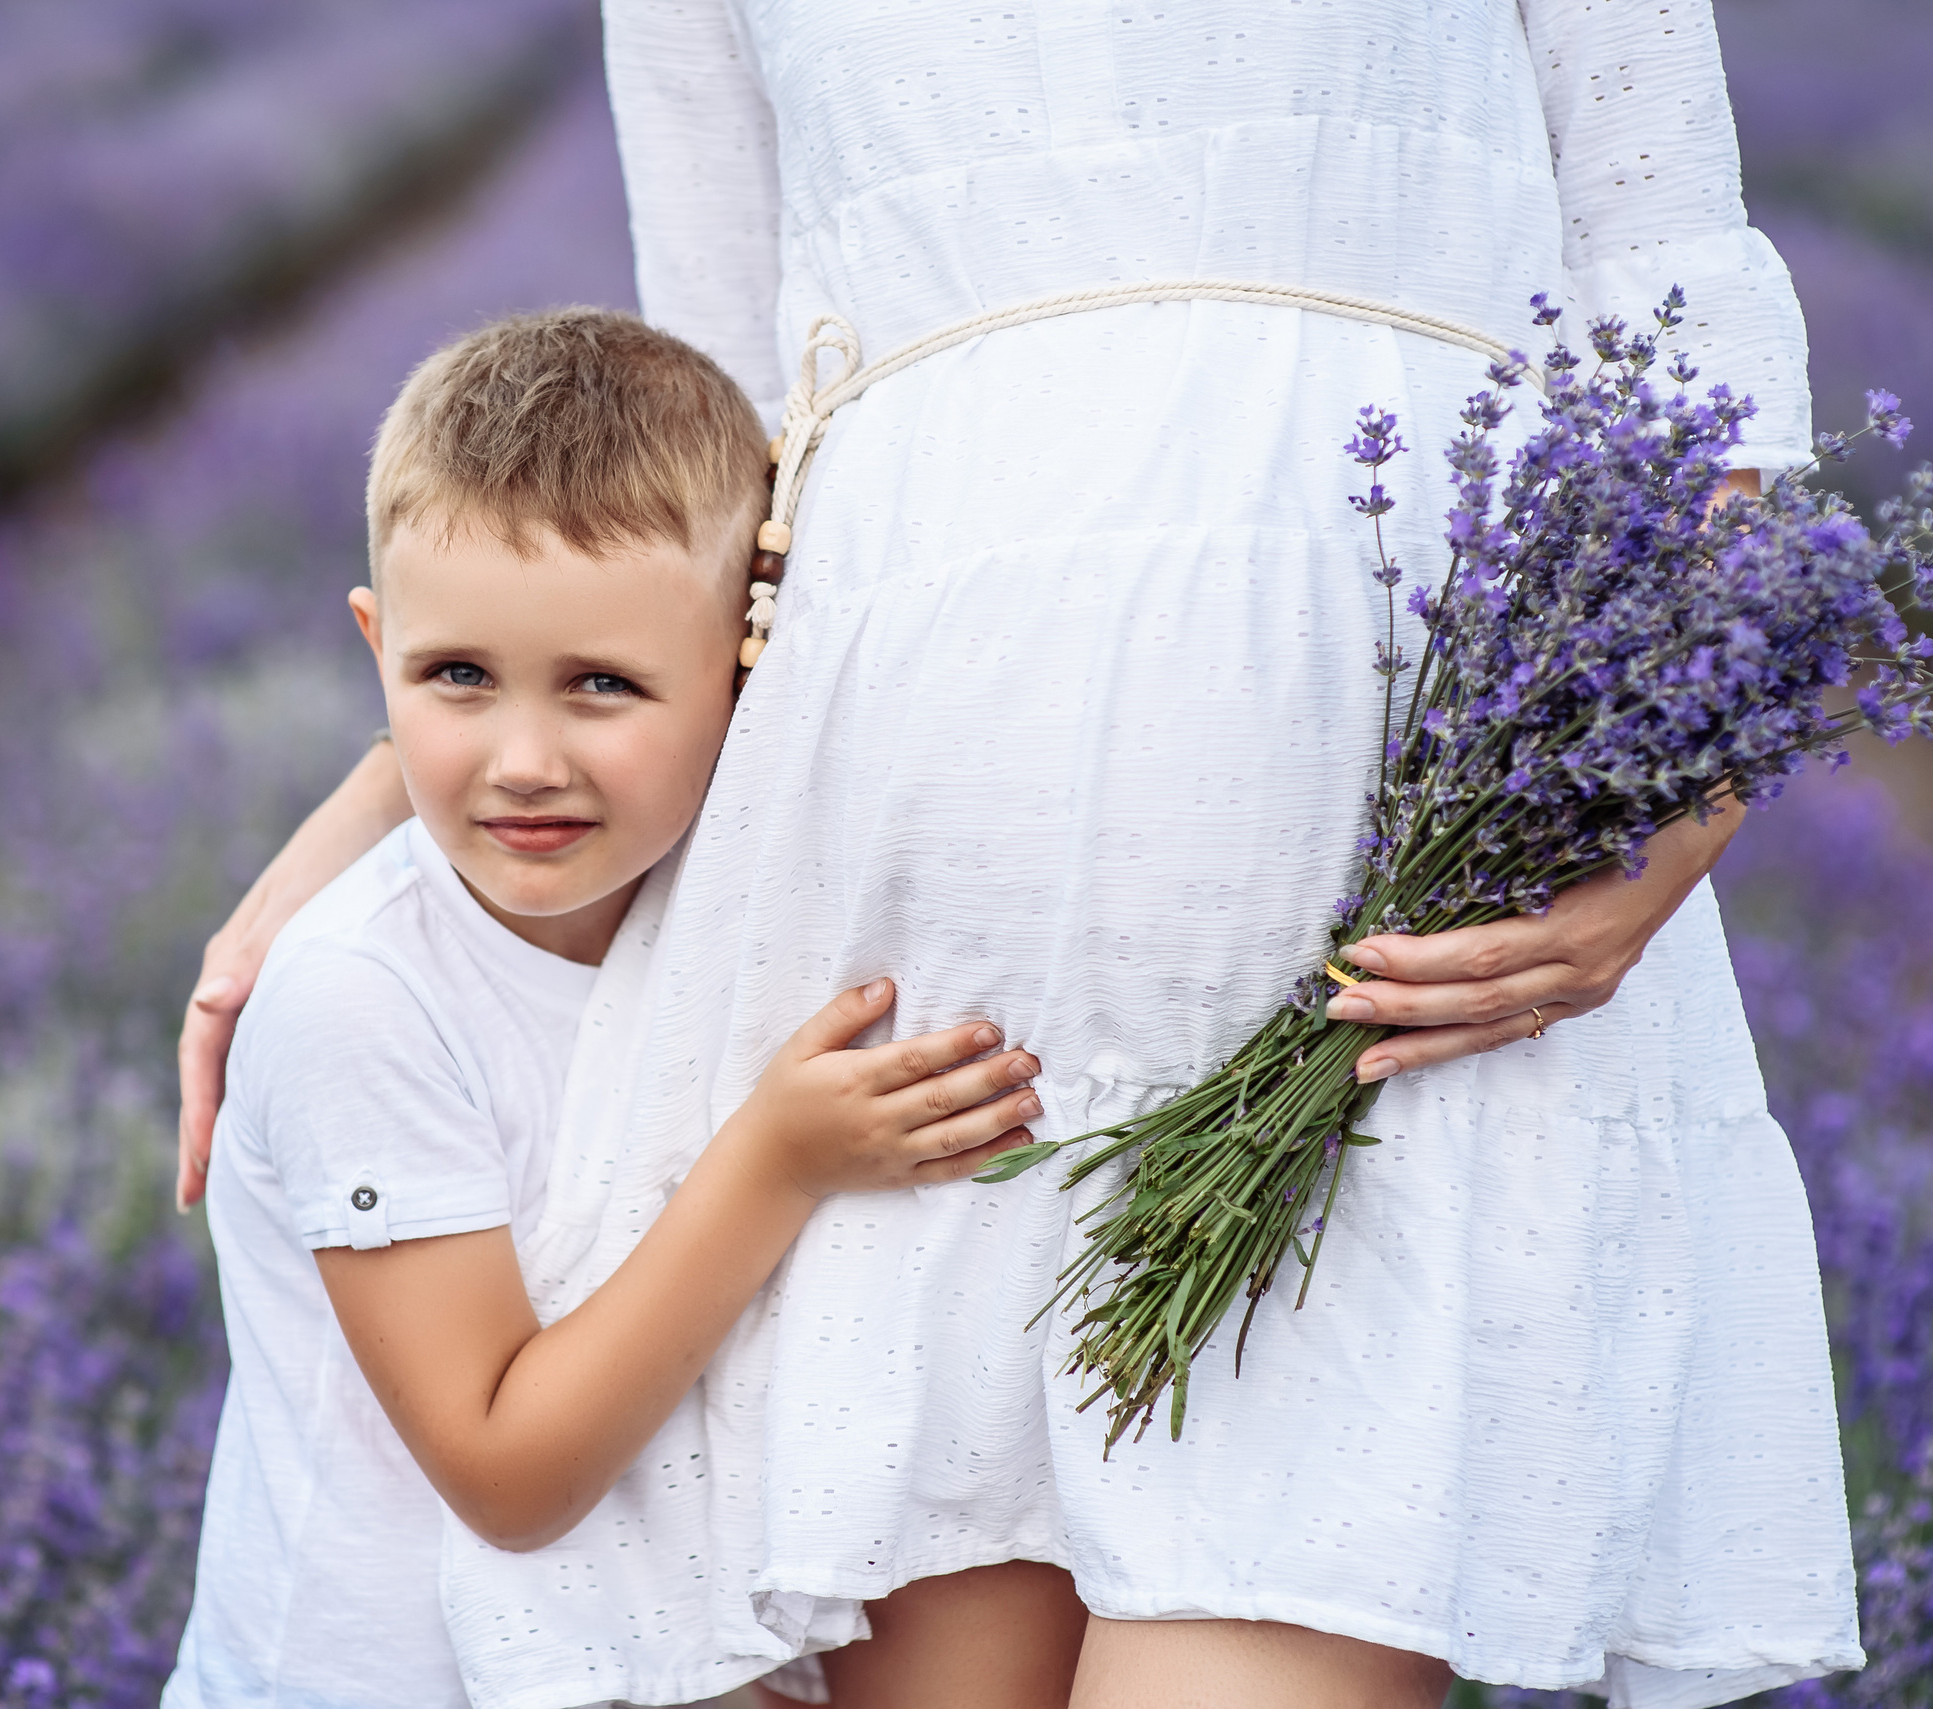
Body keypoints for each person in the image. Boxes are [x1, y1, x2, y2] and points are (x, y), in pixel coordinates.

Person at [180, 5, 1865, 1705]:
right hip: (923, 998)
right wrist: (381, 812)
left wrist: (1672, 805)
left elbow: (1685, 281)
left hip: (1379, 947)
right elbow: (716, 465)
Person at [160, 308, 1049, 1709]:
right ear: (374, 645)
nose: (524, 761)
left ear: (750, 673)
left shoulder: (724, 918)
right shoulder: (361, 997)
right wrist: (778, 1158)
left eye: (602, 687)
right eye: (457, 676)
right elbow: (509, 1469)